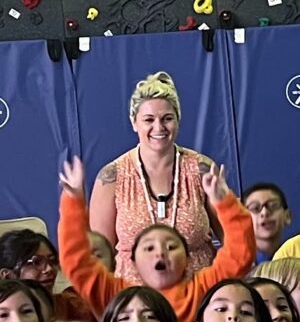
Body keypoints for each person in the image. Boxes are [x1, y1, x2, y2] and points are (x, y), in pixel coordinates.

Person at [59, 153, 256, 322]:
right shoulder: (116, 295)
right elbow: (77, 263)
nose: (160, 252)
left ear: (187, 259)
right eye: (149, 248)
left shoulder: (201, 291)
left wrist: (225, 201)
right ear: (133, 261)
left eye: (171, 247)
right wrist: (72, 199)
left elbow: (241, 254)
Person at [89, 73, 223, 267]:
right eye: (149, 120)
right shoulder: (111, 178)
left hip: (198, 291)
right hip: (134, 293)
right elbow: (100, 257)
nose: (158, 127)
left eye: (167, 118)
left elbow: (232, 240)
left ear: (178, 120)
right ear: (134, 122)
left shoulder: (203, 169)